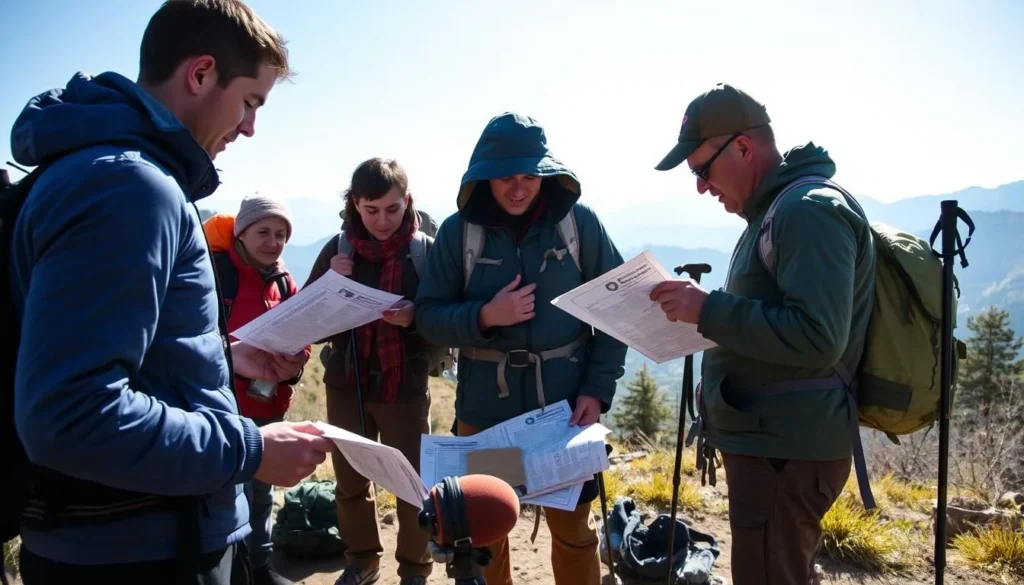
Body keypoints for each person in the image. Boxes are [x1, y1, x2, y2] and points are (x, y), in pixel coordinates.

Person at [7, 1, 336, 583]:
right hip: (142, 550)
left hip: (126, 537)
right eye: (250, 102)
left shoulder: (98, 171)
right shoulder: (129, 187)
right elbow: (71, 414)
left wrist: (222, 355)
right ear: (201, 73)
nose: (250, 127)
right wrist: (251, 450)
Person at [649, 83, 877, 585]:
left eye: (702, 170)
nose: (701, 187)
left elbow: (820, 336)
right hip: (774, 446)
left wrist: (707, 311)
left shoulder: (806, 211)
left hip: (786, 452)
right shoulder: (772, 213)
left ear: (744, 148)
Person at [414, 112, 628, 585]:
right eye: (505, 176)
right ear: (483, 177)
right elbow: (427, 316)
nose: (518, 187)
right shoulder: (459, 233)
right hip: (488, 413)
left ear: (546, 173)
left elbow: (613, 312)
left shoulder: (578, 225)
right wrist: (485, 317)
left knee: (573, 531)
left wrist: (597, 388)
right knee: (486, 531)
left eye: (529, 175)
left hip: (566, 410)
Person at [303, 158, 437, 585]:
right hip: (347, 383)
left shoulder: (425, 252)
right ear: (355, 205)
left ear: (407, 201)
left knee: (411, 485)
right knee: (350, 481)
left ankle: (414, 569)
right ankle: (362, 561)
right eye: (371, 209)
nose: (382, 220)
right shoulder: (337, 250)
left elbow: (449, 316)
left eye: (392, 209)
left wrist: (416, 315)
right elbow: (307, 319)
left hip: (407, 387)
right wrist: (329, 282)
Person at [202, 195, 308, 585]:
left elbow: (302, 334)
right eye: (263, 232)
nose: (273, 242)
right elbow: (196, 336)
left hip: (270, 403)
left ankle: (259, 567)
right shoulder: (216, 274)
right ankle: (233, 570)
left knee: (261, 490)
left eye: (281, 234)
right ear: (241, 233)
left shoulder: (282, 278)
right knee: (230, 492)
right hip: (225, 406)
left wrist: (295, 366)